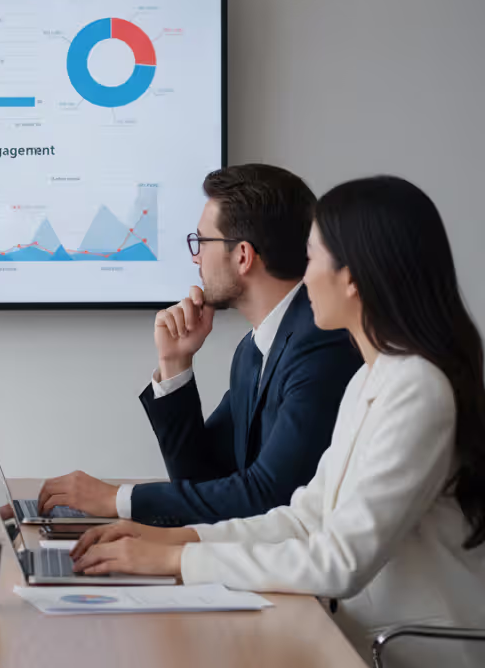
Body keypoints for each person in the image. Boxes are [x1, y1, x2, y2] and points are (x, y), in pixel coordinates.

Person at [71, 176, 485, 667]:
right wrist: (173, 538)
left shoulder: (417, 387)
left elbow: (340, 561)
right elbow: (303, 516)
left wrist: (175, 559)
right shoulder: (373, 379)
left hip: (402, 650)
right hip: (349, 633)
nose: (303, 278)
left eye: (313, 260)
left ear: (352, 278)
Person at [39, 165, 362, 525]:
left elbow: (271, 496)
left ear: (242, 255)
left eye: (201, 242)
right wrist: (175, 363)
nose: (195, 258)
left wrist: (117, 499)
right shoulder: (253, 350)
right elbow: (203, 480)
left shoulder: (321, 347)